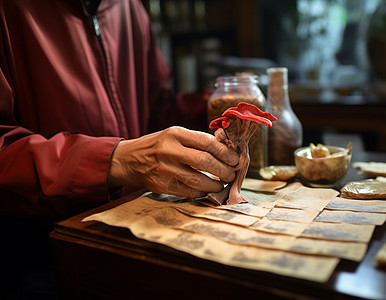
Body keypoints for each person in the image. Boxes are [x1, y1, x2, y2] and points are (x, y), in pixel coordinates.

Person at [0, 0, 238, 298]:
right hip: (40, 254)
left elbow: (157, 106)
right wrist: (115, 160)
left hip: (133, 234)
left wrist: (220, 108)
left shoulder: (129, 8)